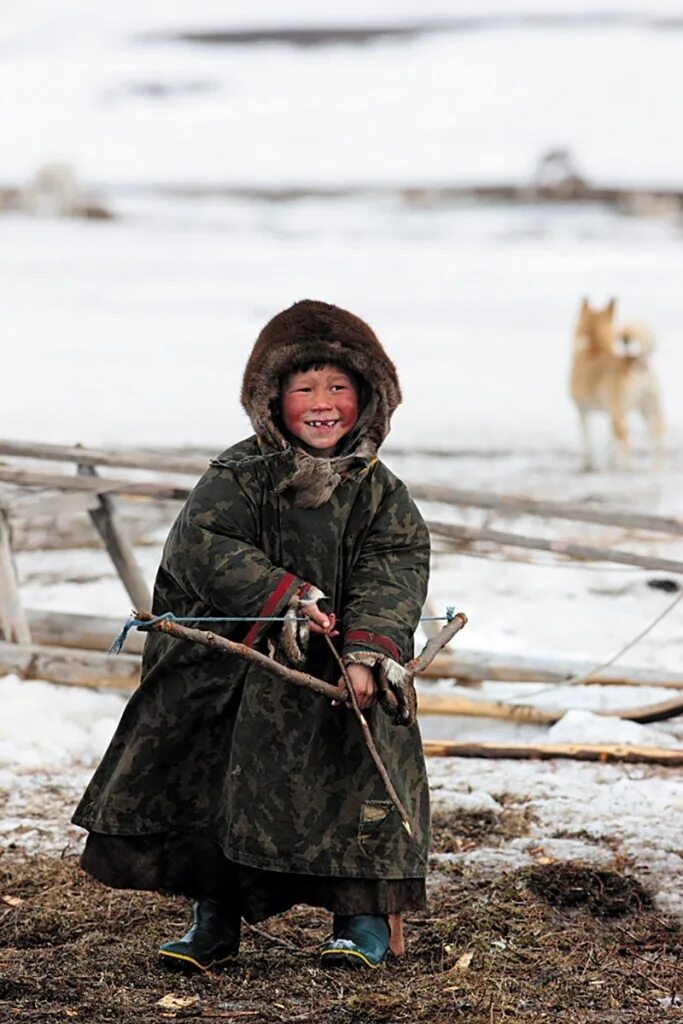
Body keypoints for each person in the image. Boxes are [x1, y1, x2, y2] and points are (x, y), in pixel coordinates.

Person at [72, 299, 431, 971]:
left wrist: (367, 649)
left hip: (336, 675)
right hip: (238, 674)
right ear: (270, 399)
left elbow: (396, 567)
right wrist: (286, 599)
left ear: (370, 398)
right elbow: (203, 548)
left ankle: (360, 921)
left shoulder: (382, 494)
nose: (322, 403)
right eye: (303, 388)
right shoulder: (235, 477)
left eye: (338, 388)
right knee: (224, 791)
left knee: (356, 785)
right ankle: (214, 918)